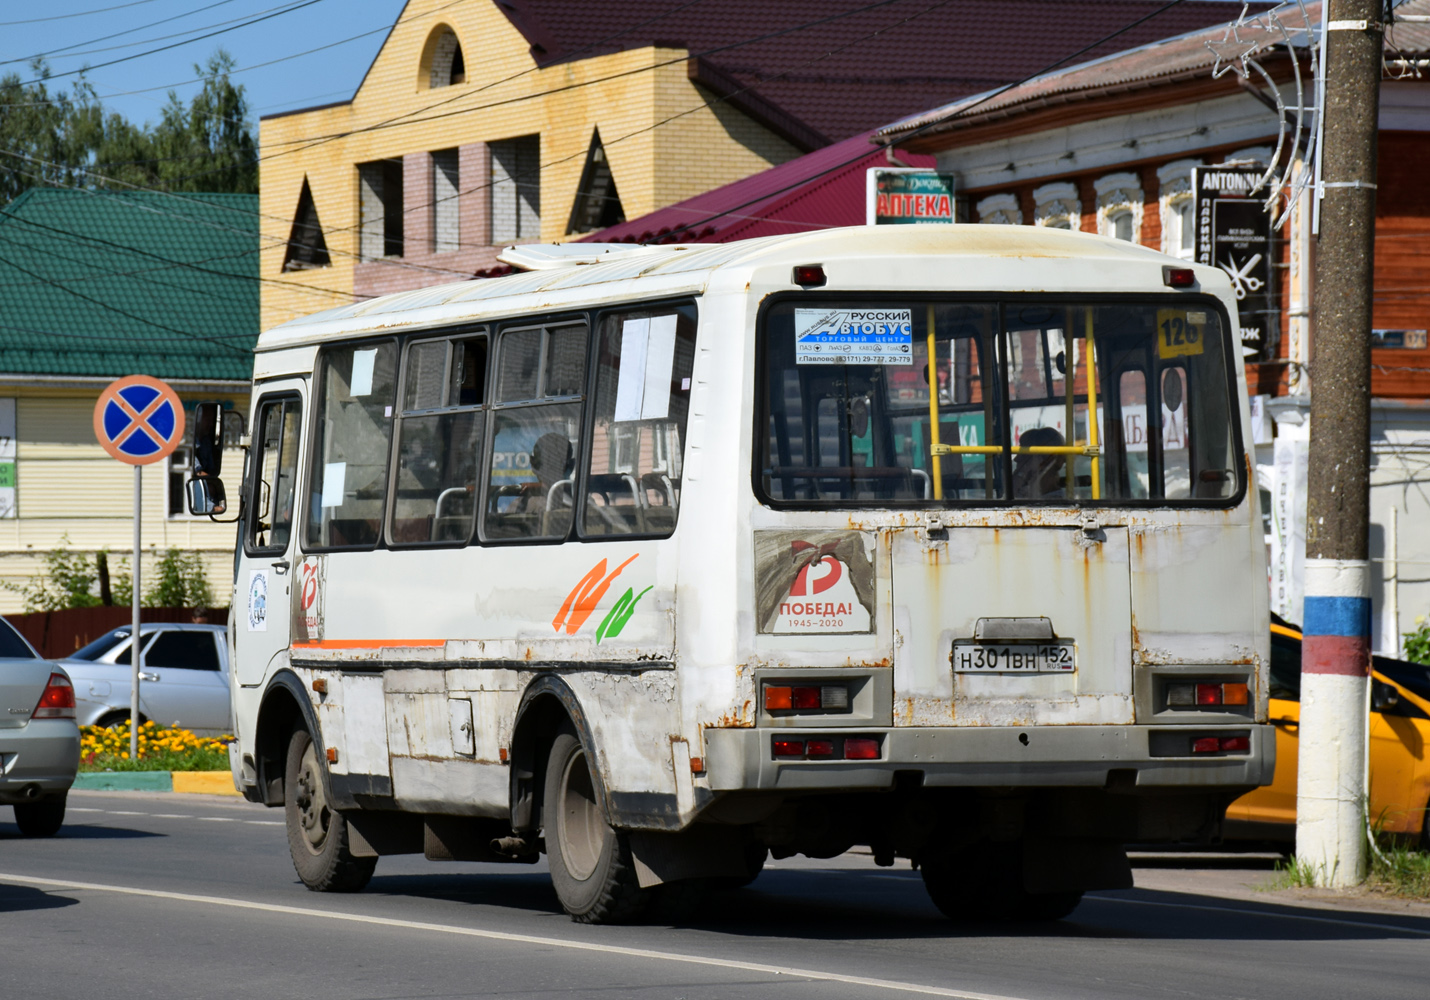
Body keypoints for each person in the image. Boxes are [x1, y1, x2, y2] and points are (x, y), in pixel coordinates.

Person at [1012, 426, 1067, 499]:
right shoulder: (1025, 491)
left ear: (1045, 460)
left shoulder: (1055, 501)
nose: (1016, 459)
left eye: (1024, 454)